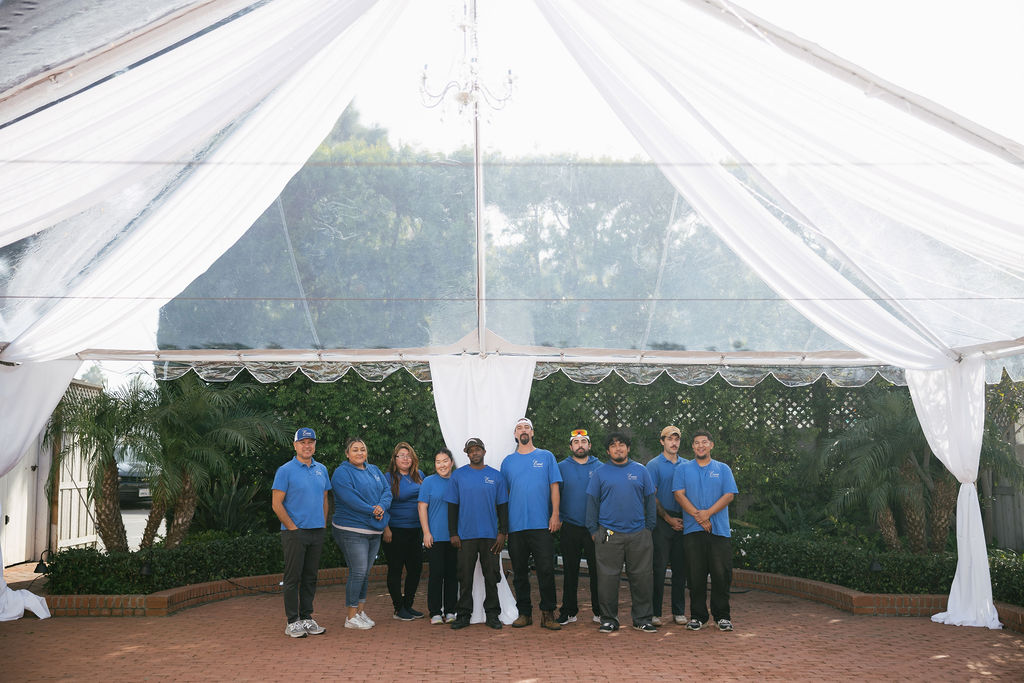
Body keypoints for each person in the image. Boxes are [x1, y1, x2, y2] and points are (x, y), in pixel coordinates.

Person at [586, 431, 657, 634]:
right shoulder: (600, 473)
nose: (618, 448)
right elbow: (592, 502)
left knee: (642, 578)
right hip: (608, 534)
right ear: (608, 451)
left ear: (628, 448)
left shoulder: (641, 470)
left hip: (639, 534)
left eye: (621, 444)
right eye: (613, 445)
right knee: (607, 579)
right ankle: (609, 619)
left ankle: (642, 619)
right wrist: (593, 530)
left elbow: (650, 500)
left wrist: (648, 528)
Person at [673, 429, 739, 632]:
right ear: (692, 447)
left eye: (704, 442)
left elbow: (729, 495)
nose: (700, 446)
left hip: (719, 532)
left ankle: (722, 616)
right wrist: (699, 516)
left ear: (711, 445)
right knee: (695, 576)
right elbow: (679, 494)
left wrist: (708, 514)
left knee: (721, 575)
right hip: (693, 531)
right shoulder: (683, 469)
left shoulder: (723, 469)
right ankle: (698, 616)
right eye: (696, 443)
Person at [501, 417, 563, 630]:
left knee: (546, 570)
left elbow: (554, 486)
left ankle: (548, 614)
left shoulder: (546, 457)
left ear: (532, 432)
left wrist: (555, 514)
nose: (523, 430)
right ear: (515, 435)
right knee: (519, 572)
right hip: (516, 526)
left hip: (541, 524)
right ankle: (524, 614)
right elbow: (504, 494)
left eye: (527, 427)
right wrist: (504, 526)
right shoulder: (508, 462)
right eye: (519, 427)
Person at [272, 427, 330, 638]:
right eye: (303, 442)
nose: (307, 446)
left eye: (310, 442)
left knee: (310, 577)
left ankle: (306, 617)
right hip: (294, 533)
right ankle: (292, 621)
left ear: (315, 445)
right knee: (292, 578)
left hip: (316, 531)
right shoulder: (285, 470)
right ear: (295, 445)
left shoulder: (321, 469)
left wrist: (323, 524)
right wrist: (292, 528)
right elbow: (276, 504)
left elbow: (324, 499)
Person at [445, 437, 508, 630]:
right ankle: (463, 614)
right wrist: (453, 533)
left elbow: (503, 507)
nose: (475, 453)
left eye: (477, 449)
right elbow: (452, 506)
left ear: (484, 451)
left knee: (492, 576)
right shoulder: (458, 476)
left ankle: (492, 614)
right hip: (465, 536)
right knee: (465, 577)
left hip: (490, 536)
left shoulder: (496, 476)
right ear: (467, 454)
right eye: (471, 450)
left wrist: (503, 533)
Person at [330, 436, 392, 630]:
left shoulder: (374, 470)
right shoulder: (342, 473)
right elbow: (350, 498)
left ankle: (360, 612)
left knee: (364, 572)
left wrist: (381, 506)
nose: (359, 453)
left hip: (374, 529)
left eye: (362, 449)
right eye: (355, 449)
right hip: (351, 530)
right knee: (358, 571)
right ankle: (350, 617)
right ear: (347, 454)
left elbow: (387, 491)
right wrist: (372, 510)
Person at [556, 428, 602, 625]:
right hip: (570, 526)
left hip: (594, 528)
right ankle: (568, 611)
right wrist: (557, 516)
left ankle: (600, 611)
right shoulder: (560, 467)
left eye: (583, 442)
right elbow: (554, 494)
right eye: (576, 442)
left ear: (589, 445)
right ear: (571, 446)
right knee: (569, 571)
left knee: (597, 572)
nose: (580, 445)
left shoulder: (600, 467)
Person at [646, 425, 688, 626]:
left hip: (684, 520)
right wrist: (668, 519)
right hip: (661, 521)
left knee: (681, 569)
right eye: (669, 439)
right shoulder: (653, 465)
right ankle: (654, 613)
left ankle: (679, 611)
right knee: (659, 569)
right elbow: (650, 497)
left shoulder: (687, 465)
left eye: (676, 439)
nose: (674, 443)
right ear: (662, 441)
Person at [381, 442, 425, 620]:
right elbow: (382, 504)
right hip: (395, 530)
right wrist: (386, 529)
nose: (405, 459)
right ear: (395, 459)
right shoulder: (388, 478)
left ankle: (408, 605)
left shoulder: (420, 475)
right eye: (401, 455)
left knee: (415, 569)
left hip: (416, 529)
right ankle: (398, 608)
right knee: (396, 569)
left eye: (408, 455)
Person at [418, 447, 458, 624]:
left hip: (454, 537)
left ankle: (450, 611)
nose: (442, 465)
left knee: (452, 575)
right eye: (438, 462)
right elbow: (422, 507)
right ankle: (435, 611)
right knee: (436, 574)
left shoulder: (457, 481)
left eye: (445, 461)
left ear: (452, 462)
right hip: (434, 536)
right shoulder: (428, 482)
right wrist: (426, 532)